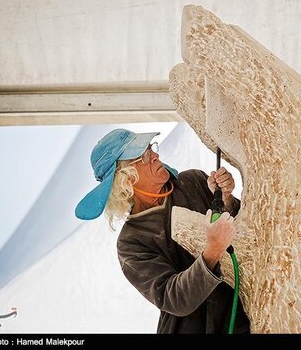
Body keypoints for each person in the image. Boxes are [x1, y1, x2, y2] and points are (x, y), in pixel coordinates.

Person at [75, 128, 250, 334]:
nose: (156, 155)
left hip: (243, 318)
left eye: (151, 149)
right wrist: (212, 251)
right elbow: (174, 298)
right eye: (145, 155)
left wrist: (226, 199)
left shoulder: (193, 181)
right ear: (127, 179)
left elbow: (245, 230)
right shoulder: (131, 243)